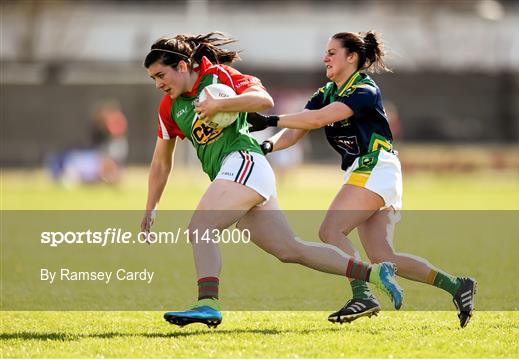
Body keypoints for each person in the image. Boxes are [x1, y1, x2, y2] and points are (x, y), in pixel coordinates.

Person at [140, 32, 404, 329]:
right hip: (237, 175)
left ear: (183, 66)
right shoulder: (169, 108)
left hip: (244, 162)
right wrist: (151, 206)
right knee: (290, 250)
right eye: (153, 79)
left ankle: (207, 304)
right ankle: (373, 274)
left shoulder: (218, 76)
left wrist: (221, 105)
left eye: (161, 74)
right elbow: (161, 161)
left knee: (201, 226)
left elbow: (263, 100)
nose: (159, 83)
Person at [247, 31, 477, 328]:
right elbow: (297, 130)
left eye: (332, 52)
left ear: (351, 57)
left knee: (330, 231)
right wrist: (267, 145)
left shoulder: (364, 89)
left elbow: (318, 120)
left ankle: (363, 294)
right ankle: (458, 286)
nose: (325, 58)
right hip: (373, 170)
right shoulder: (325, 92)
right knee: (383, 255)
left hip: (375, 166)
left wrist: (270, 120)